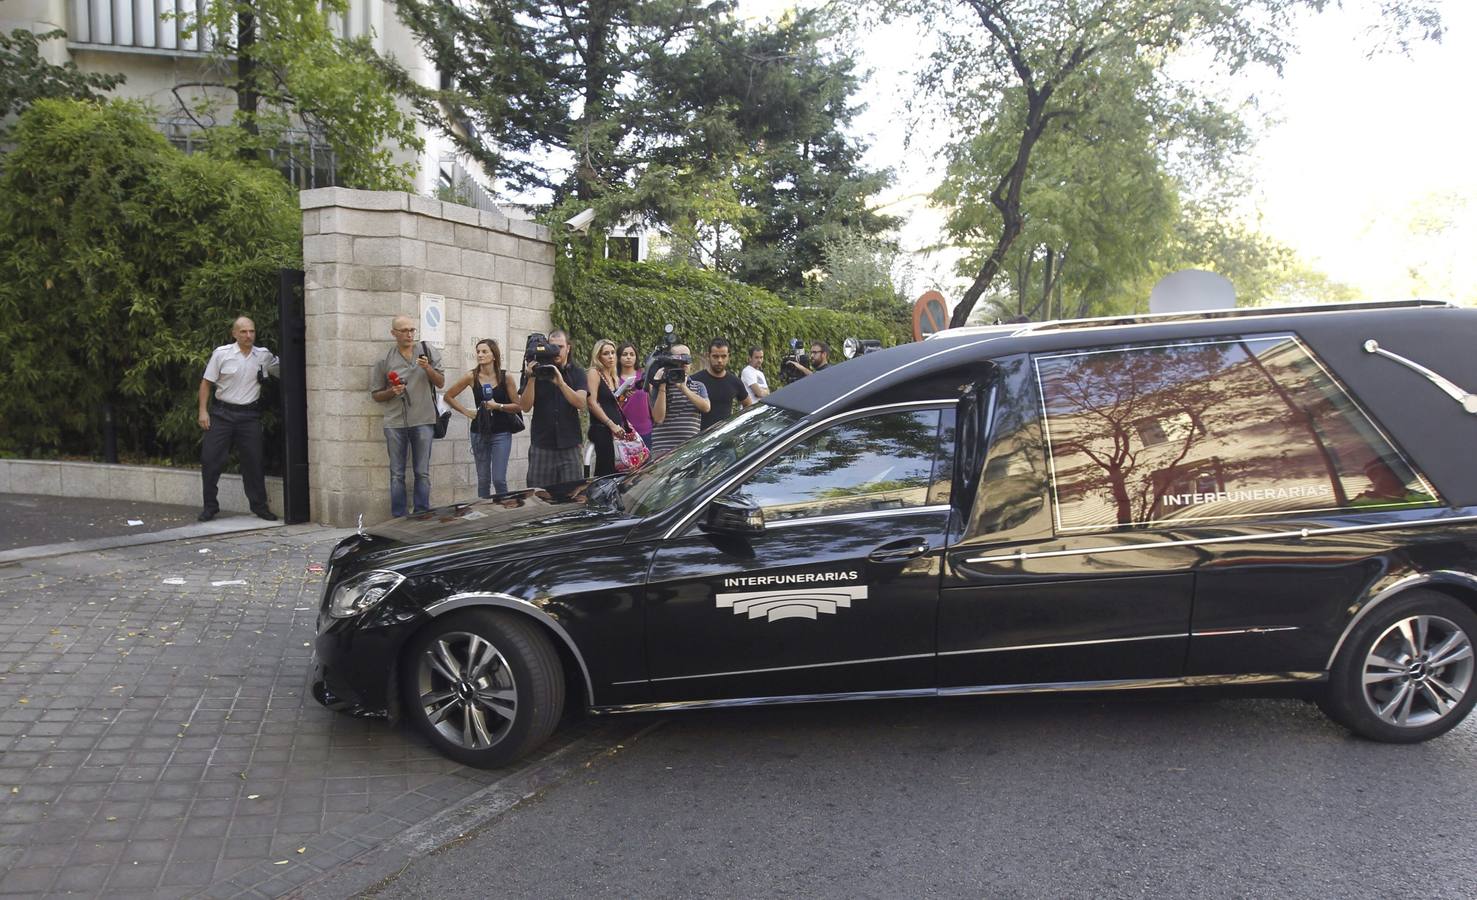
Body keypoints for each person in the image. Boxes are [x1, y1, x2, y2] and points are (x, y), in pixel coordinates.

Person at [197, 316, 280, 522]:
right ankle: (210, 507)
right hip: (222, 414)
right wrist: (202, 411)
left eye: (251, 331)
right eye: (243, 332)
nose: (248, 335)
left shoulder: (264, 356)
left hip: (249, 416)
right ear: (234, 334)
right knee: (210, 460)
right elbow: (206, 383)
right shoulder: (222, 354)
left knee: (254, 462)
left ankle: (259, 507)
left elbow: (284, 370)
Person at [370, 316, 445, 517]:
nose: (409, 334)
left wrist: (427, 368)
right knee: (397, 474)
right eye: (404, 330)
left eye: (412, 329)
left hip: (423, 420)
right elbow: (376, 394)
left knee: (422, 472)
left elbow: (440, 383)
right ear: (393, 333)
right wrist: (391, 392)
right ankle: (399, 517)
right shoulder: (384, 359)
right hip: (395, 422)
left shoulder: (427, 351)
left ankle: (421, 514)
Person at [443, 339, 522, 497]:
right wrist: (467, 412)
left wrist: (498, 406)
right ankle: (484, 515)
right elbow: (448, 396)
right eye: (478, 351)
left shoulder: (506, 377)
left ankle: (503, 512)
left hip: (501, 433)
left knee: (499, 479)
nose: (480, 354)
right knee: (483, 480)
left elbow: (518, 406)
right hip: (479, 432)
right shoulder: (471, 376)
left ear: (494, 355)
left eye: (484, 351)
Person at [518, 329, 588, 487]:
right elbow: (525, 406)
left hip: (570, 446)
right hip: (542, 445)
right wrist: (531, 379)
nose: (556, 351)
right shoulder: (534, 371)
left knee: (572, 496)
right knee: (539, 497)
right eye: (552, 347)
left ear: (568, 348)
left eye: (560, 347)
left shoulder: (576, 372)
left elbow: (581, 403)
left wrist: (561, 383)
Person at [648, 343, 711, 457]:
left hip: (690, 450)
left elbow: (706, 407)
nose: (684, 363)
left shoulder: (698, 386)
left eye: (687, 359)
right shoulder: (658, 386)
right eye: (678, 359)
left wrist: (684, 388)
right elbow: (658, 418)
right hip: (663, 452)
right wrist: (662, 385)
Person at [585, 339, 629, 477]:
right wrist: (611, 424)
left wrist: (624, 396)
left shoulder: (614, 376)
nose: (611, 356)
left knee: (620, 470)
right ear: (598, 356)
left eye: (612, 352)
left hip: (616, 428)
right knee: (605, 471)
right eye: (606, 353)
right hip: (602, 428)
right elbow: (592, 403)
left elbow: (614, 405)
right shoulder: (594, 373)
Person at [691, 337, 750, 431]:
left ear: (728, 357)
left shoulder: (735, 382)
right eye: (715, 356)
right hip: (699, 438)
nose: (719, 360)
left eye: (723, 356)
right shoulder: (695, 380)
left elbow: (748, 405)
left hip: (725, 437)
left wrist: (739, 426)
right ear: (708, 356)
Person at [614, 341, 653, 448]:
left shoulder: (643, 375)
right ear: (618, 357)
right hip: (624, 430)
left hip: (646, 429)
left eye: (632, 354)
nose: (628, 357)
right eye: (624, 354)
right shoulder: (614, 378)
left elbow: (652, 398)